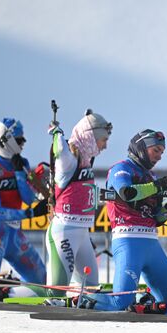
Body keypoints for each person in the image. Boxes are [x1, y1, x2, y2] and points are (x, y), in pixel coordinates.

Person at [85, 129, 167, 311]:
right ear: (142, 147)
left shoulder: (151, 176)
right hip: (128, 241)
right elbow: (127, 193)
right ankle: (75, 301)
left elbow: (156, 218)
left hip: (152, 244)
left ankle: (145, 307)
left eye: (162, 152)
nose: (159, 157)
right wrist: (161, 185)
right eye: (156, 150)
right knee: (121, 302)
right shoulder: (121, 168)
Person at [42, 110, 112, 296]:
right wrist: (57, 133)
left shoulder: (86, 159)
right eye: (103, 140)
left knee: (90, 292)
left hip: (82, 233)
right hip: (64, 232)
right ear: (91, 136)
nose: (105, 146)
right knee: (56, 294)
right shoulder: (68, 159)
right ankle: (15, 293)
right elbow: (59, 149)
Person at [0, 118, 48, 284]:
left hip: (14, 233)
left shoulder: (21, 164)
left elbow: (28, 199)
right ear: (6, 140)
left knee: (42, 280)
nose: (23, 143)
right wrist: (31, 213)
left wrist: (19, 173)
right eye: (19, 140)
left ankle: (9, 288)